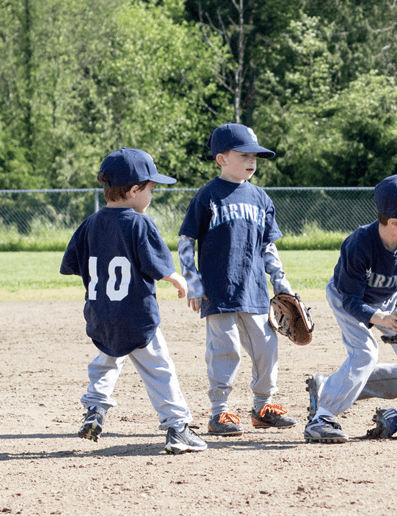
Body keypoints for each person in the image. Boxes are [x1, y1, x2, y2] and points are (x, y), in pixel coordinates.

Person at [60, 147, 206, 455]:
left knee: (106, 361)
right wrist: (177, 279)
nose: (152, 195)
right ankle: (178, 427)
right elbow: (158, 266)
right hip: (137, 316)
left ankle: (95, 409)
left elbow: (72, 264)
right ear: (133, 190)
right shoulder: (140, 223)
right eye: (150, 188)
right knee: (159, 369)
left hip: (101, 313)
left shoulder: (90, 223)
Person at [304, 174, 397, 444]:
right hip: (347, 298)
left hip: (389, 299)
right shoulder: (359, 243)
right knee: (365, 353)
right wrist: (381, 318)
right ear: (394, 222)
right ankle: (321, 417)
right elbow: (351, 300)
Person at [178, 123, 297, 437]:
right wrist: (193, 281)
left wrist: (280, 283)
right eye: (244, 155)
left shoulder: (260, 198)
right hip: (218, 290)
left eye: (254, 156)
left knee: (267, 347)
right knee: (225, 348)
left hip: (254, 289)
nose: (251, 160)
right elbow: (186, 241)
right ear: (221, 159)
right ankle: (219, 411)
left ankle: (263, 407)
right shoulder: (207, 196)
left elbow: (267, 246)